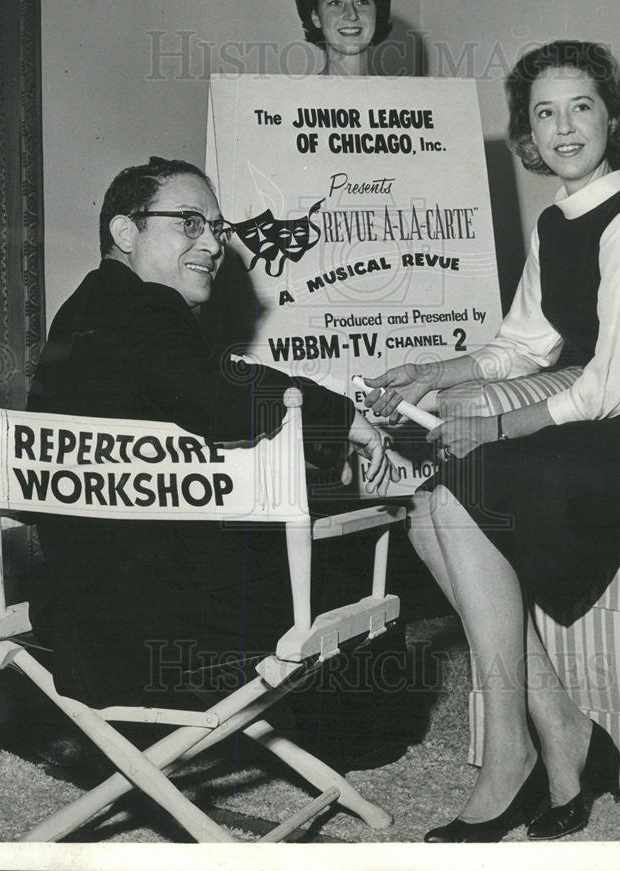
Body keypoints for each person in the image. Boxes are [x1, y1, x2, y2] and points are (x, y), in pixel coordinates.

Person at [364, 41, 620, 842]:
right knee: (429, 507)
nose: (564, 127)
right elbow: (524, 346)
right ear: (527, 130)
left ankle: (510, 758)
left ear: (613, 116)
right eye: (544, 111)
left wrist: (494, 425)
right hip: (616, 417)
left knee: (472, 487)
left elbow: (611, 386)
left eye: (581, 107)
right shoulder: (556, 219)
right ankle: (561, 728)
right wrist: (432, 370)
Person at [28, 156, 396, 720]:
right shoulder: (144, 309)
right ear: (125, 231)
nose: (214, 244)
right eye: (189, 222)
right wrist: (341, 417)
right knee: (355, 556)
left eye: (218, 229)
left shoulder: (84, 310)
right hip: (162, 629)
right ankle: (348, 733)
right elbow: (223, 397)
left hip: (80, 616)